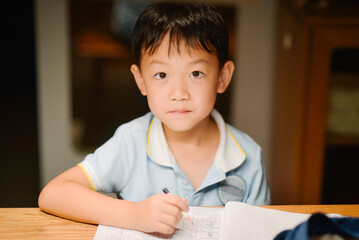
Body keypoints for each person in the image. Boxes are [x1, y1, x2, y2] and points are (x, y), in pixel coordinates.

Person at [38, 1, 270, 235]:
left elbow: (263, 232)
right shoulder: (131, 142)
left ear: (222, 77)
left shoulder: (248, 157)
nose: (179, 93)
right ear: (141, 80)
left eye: (196, 73)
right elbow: (54, 194)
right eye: (161, 74)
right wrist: (134, 215)